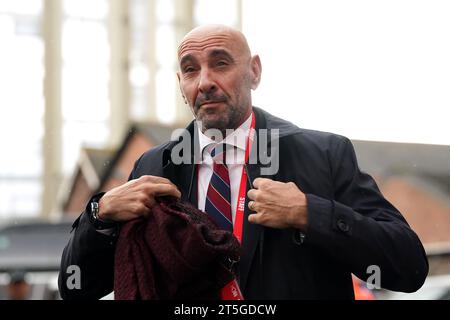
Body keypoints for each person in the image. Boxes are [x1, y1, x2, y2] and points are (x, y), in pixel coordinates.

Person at [58, 24, 428, 300]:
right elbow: (78, 286)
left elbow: (408, 268)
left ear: (254, 71)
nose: (205, 82)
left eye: (220, 63)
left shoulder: (324, 155)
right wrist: (99, 215)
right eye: (190, 69)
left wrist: (310, 214)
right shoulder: (153, 167)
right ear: (180, 83)